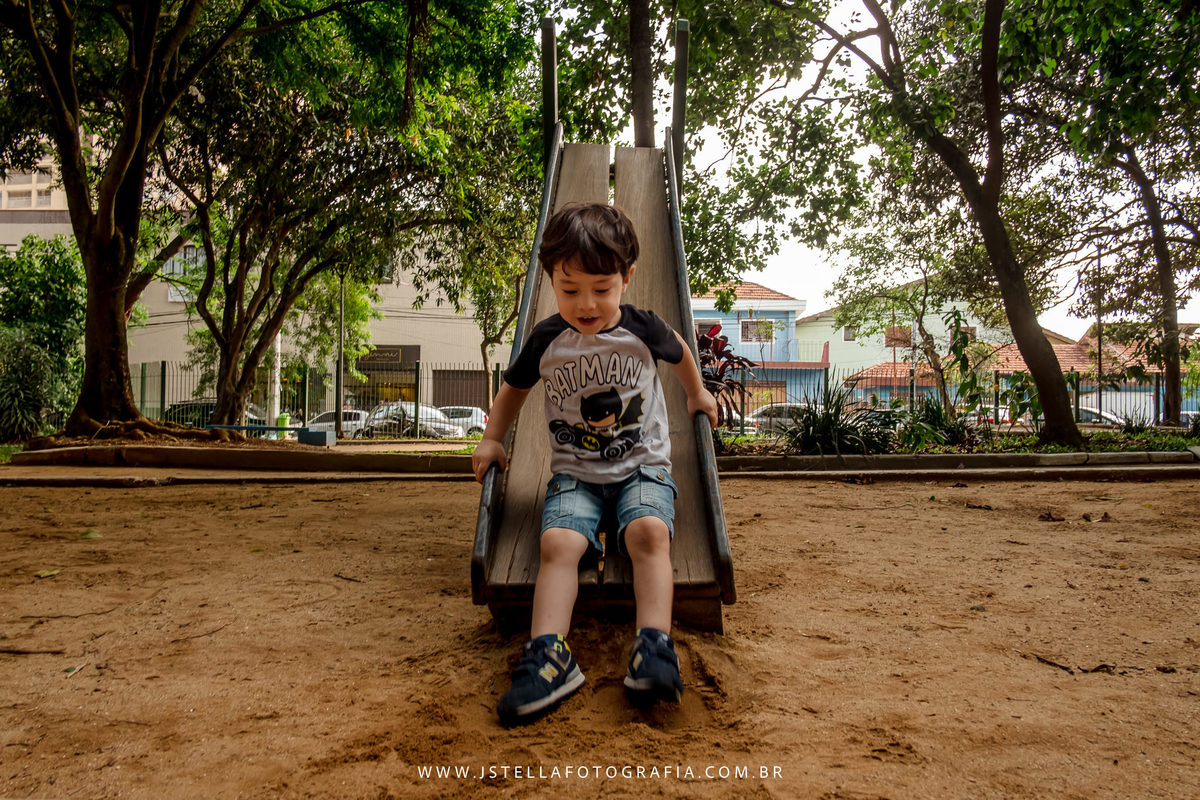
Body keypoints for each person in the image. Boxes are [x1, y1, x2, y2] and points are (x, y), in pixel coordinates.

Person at [472, 202, 718, 725]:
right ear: (550, 281)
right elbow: (513, 389)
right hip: (576, 476)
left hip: (642, 467)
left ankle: (654, 645)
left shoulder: (642, 328)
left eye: (601, 289)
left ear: (627, 278)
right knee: (557, 544)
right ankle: (549, 654)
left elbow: (679, 352)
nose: (585, 304)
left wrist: (696, 394)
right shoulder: (547, 339)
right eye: (569, 290)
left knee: (649, 532)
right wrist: (493, 439)